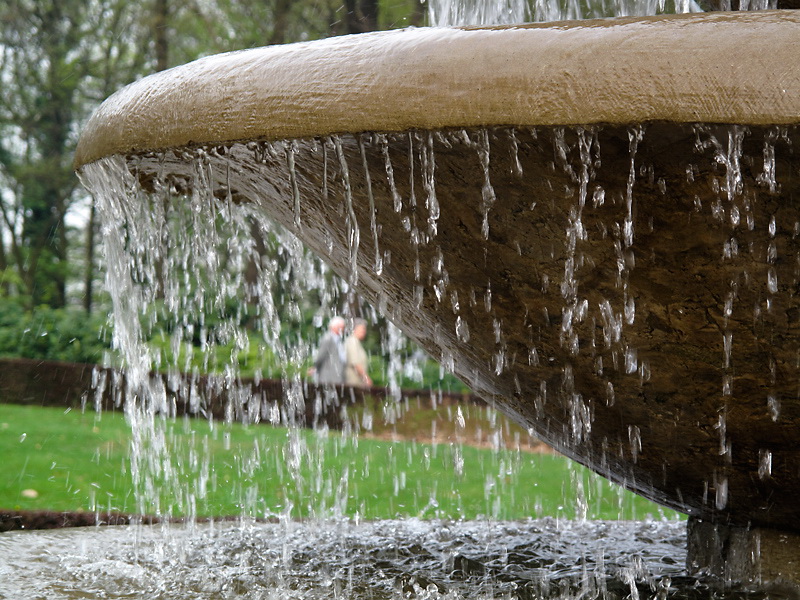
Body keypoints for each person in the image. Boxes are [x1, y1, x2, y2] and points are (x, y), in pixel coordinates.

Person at [310, 316, 346, 385]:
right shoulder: (328, 339)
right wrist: (316, 367)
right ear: (333, 327)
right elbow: (321, 355)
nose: (342, 329)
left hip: (336, 375)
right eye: (341, 327)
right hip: (329, 376)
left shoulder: (337, 339)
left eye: (343, 327)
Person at [345, 318, 372, 388]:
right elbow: (355, 363)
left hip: (357, 383)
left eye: (364, 329)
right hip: (353, 383)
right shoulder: (352, 341)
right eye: (362, 329)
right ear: (354, 329)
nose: (364, 331)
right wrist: (366, 378)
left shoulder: (356, 342)